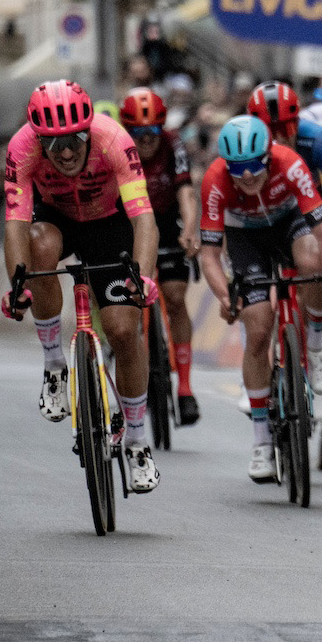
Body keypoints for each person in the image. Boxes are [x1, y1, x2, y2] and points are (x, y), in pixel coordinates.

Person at [0, 80, 161, 493]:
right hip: (57, 222)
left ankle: (139, 442)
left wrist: (141, 278)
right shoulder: (21, 148)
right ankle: (55, 363)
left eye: (75, 140)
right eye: (55, 145)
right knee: (39, 246)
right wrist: (19, 285)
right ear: (39, 140)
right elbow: (16, 224)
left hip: (111, 225)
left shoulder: (114, 140)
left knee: (124, 331)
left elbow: (144, 218)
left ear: (89, 131)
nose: (67, 152)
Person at [197, 115, 322, 482]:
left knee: (312, 261)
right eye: (238, 169)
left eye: (255, 165)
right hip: (245, 238)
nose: (247, 176)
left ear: (269, 155)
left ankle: (316, 347)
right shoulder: (215, 181)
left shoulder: (290, 164)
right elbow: (209, 255)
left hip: (288, 222)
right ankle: (261, 441)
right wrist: (224, 295)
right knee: (259, 326)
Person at [248, 81, 322, 394]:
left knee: (313, 261)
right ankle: (254, 365)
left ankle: (318, 343)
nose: (281, 137)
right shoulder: (244, 143)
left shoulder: (318, 141)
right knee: (252, 298)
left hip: (306, 214)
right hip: (262, 216)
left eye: (287, 127)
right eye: (272, 129)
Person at [119, 86, 202, 425]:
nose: (146, 139)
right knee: (127, 305)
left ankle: (184, 387)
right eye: (138, 133)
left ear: (161, 129)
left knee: (176, 296)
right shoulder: (118, 148)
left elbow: (186, 191)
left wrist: (190, 229)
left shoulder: (173, 145)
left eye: (152, 131)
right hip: (129, 222)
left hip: (167, 221)